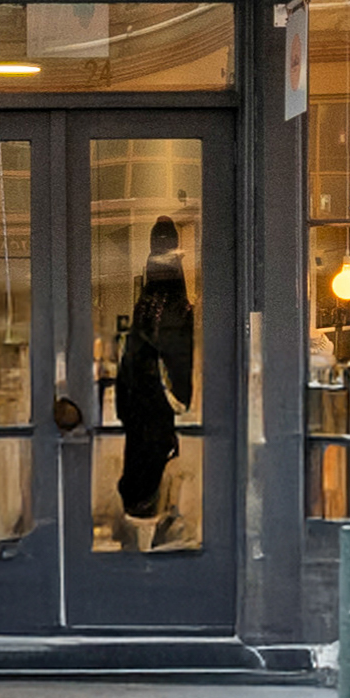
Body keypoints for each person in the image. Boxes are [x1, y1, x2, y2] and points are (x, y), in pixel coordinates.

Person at [112, 221, 197, 540]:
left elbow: (138, 350)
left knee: (141, 463)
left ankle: (138, 525)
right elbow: (175, 355)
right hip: (154, 404)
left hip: (142, 401)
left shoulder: (148, 302)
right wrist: (180, 397)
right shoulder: (175, 303)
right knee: (148, 464)